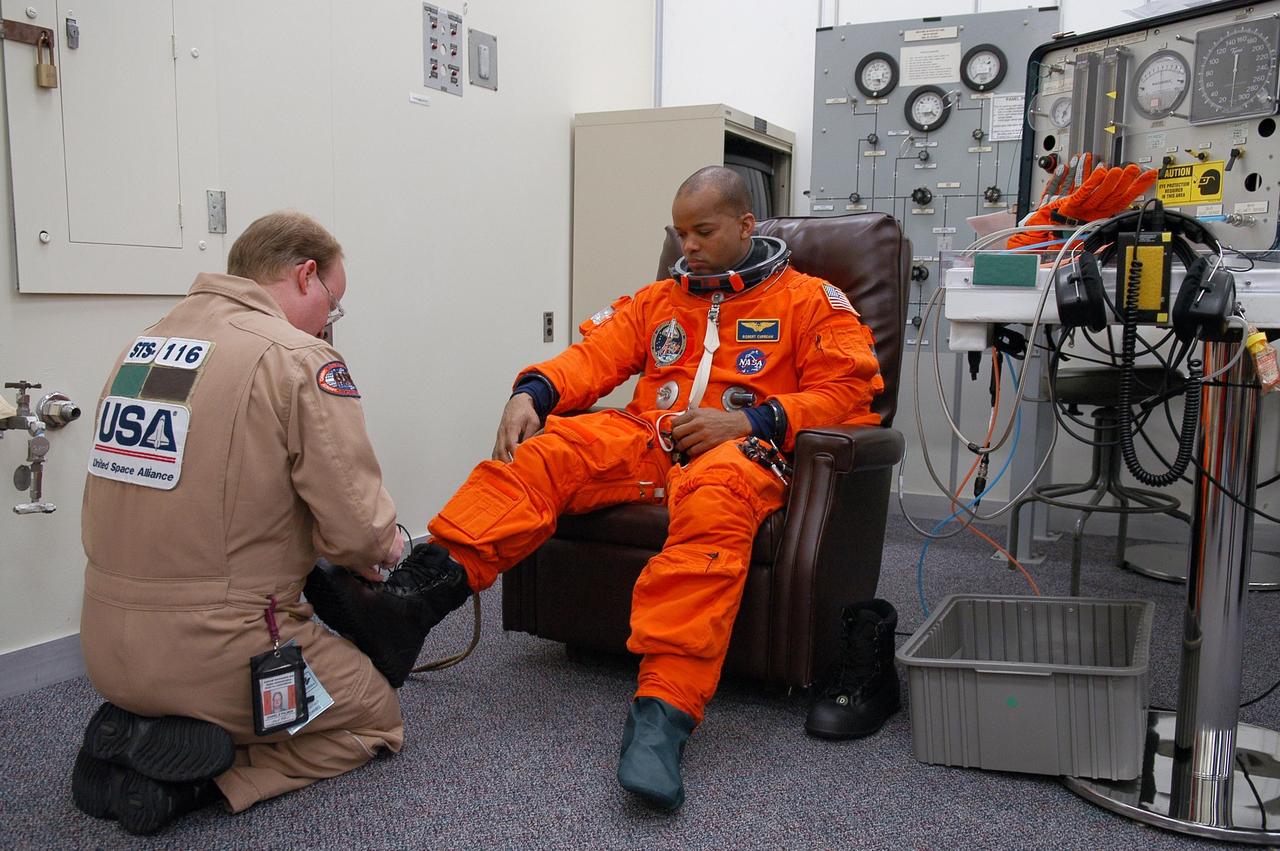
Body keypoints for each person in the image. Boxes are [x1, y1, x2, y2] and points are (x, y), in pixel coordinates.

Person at [308, 167, 886, 810]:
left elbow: (849, 395)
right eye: (680, 233)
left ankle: (663, 712)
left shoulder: (809, 301)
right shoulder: (658, 302)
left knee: (712, 506)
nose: (687, 246)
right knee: (550, 450)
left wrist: (747, 420)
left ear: (747, 226)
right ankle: (413, 600)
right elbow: (593, 356)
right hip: (650, 437)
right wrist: (533, 392)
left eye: (704, 231)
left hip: (740, 455)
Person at [74, 211, 451, 835]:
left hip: (104, 648)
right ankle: (196, 777)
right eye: (333, 303)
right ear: (306, 276)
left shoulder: (142, 345)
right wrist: (392, 543)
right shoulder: (300, 358)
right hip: (221, 654)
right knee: (376, 715)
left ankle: (145, 727)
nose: (330, 322)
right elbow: (358, 533)